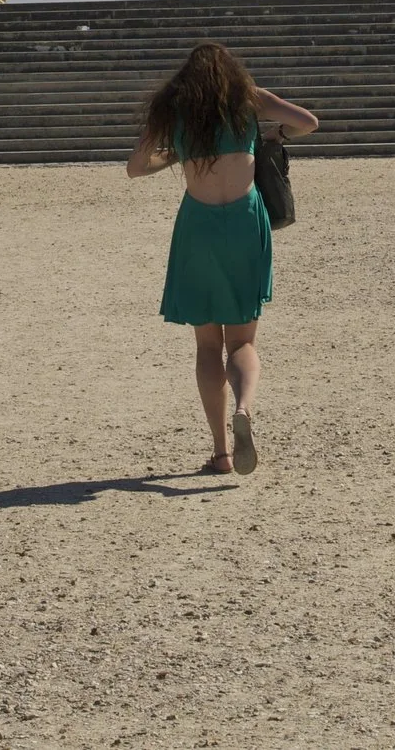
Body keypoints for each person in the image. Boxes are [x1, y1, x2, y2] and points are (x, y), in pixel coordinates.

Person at [126, 42, 319, 476]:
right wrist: (275, 135)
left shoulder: (174, 110)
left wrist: (174, 154)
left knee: (207, 345)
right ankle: (245, 408)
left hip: (198, 227)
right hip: (245, 225)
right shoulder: (247, 99)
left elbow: (136, 166)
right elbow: (308, 122)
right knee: (243, 342)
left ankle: (220, 452)